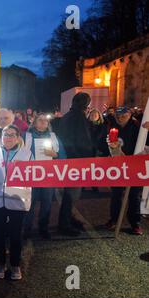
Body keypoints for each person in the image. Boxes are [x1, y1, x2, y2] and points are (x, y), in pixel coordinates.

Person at [0, 124, 33, 280]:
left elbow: (34, 175)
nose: (8, 138)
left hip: (17, 201)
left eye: (11, 135)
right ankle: (0, 264)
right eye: (5, 135)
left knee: (16, 235)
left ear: (18, 137)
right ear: (1, 137)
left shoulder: (26, 154)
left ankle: (15, 265)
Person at [100, 107, 144, 235]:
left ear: (130, 114)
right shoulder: (111, 127)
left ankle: (135, 223)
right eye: (117, 115)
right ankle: (114, 219)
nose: (120, 117)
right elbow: (102, 142)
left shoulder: (138, 126)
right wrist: (108, 148)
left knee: (134, 195)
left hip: (135, 166)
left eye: (123, 114)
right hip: (117, 166)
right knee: (116, 194)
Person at [23, 113, 67, 240]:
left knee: (47, 203)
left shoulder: (53, 137)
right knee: (29, 204)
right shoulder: (26, 136)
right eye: (40, 120)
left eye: (45, 121)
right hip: (31, 176)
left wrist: (55, 154)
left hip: (47, 176)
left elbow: (63, 156)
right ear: (34, 122)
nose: (43, 122)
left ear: (48, 124)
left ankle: (43, 228)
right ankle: (27, 229)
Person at [57, 92, 95, 236]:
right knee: (71, 195)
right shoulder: (78, 117)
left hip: (69, 159)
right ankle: (64, 224)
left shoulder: (67, 116)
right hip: (76, 161)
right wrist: (85, 159)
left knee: (70, 194)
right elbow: (83, 140)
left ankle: (68, 220)